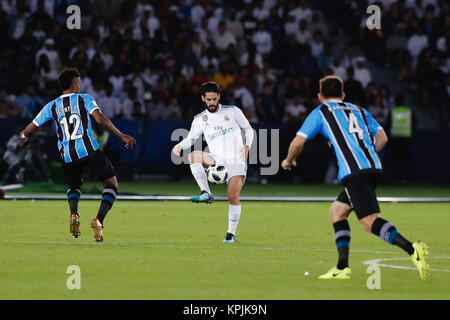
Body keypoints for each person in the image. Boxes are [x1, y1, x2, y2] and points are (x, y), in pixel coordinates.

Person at [281, 76, 429, 280]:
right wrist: (366, 155)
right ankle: (342, 268)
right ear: (342, 95)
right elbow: (382, 137)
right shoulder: (359, 110)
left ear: (319, 96)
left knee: (369, 222)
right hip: (373, 167)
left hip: (355, 172)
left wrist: (288, 161)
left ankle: (412, 249)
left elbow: (298, 143)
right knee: (337, 211)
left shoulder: (321, 112)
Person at [19, 68, 136, 242]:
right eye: (79, 82)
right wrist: (121, 135)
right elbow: (100, 120)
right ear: (74, 84)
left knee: (74, 186)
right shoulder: (84, 99)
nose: (80, 85)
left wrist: (22, 136)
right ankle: (98, 221)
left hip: (67, 155)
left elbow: (30, 129)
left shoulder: (50, 106)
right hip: (88, 150)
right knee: (111, 183)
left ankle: (74, 213)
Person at [172, 82, 254, 243]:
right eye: (208, 99)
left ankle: (231, 234)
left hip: (237, 160)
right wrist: (179, 146)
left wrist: (246, 147)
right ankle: (206, 193)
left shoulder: (233, 111)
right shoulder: (200, 119)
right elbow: (191, 138)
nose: (212, 102)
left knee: (232, 196)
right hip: (216, 159)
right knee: (193, 156)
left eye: (214, 99)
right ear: (203, 99)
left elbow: (248, 129)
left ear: (219, 98)